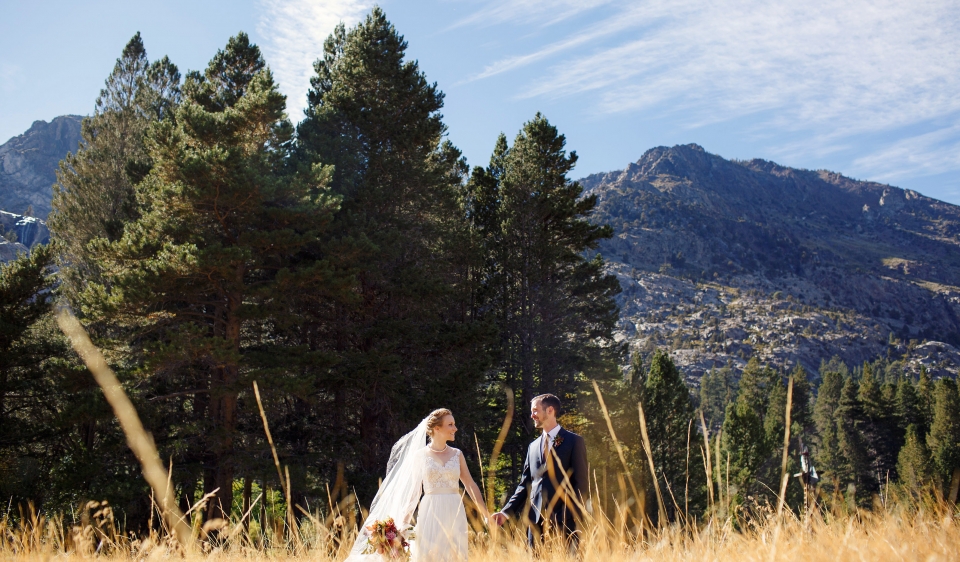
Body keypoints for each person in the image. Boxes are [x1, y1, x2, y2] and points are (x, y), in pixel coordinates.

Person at [345, 408, 491, 562]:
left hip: (454, 511)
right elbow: (415, 491)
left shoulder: (457, 454)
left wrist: (486, 515)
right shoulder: (420, 456)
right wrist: (404, 523)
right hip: (430, 511)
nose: (455, 428)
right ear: (437, 428)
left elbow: (470, 484)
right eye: (450, 424)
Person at [491, 394, 589, 548]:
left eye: (535, 410)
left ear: (550, 410)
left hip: (565, 522)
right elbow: (524, 484)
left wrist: (568, 515)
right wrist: (505, 513)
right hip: (535, 523)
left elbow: (581, 483)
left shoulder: (574, 441)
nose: (532, 415)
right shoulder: (533, 446)